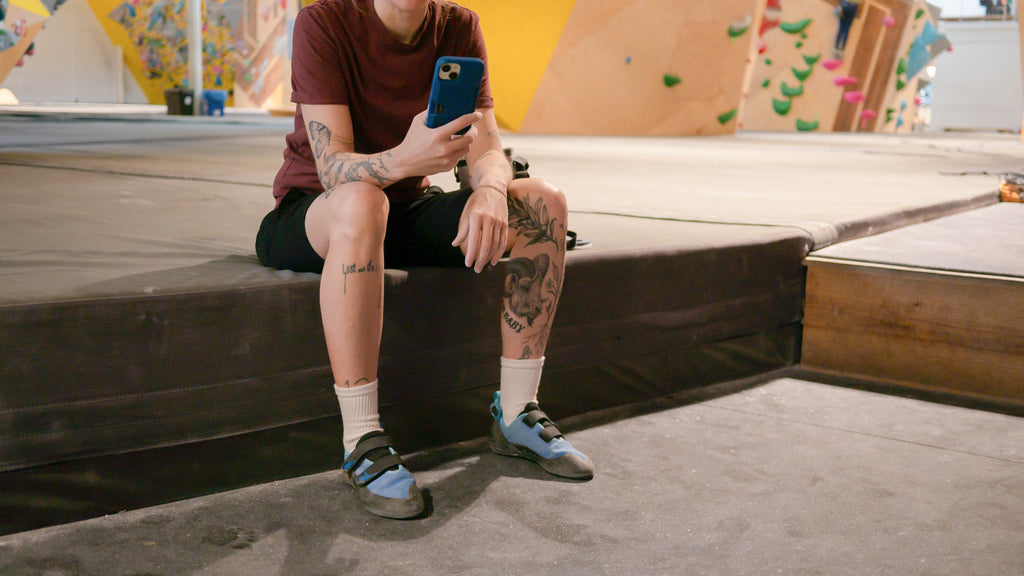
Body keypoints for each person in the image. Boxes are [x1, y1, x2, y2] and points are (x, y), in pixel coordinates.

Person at [256, 0, 593, 519]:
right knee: (363, 201)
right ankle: (361, 439)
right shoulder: (324, 21)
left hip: (403, 208)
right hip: (318, 212)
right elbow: (332, 169)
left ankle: (516, 413)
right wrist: (409, 159)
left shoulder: (458, 26)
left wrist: (490, 190)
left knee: (542, 203)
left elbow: (486, 148)